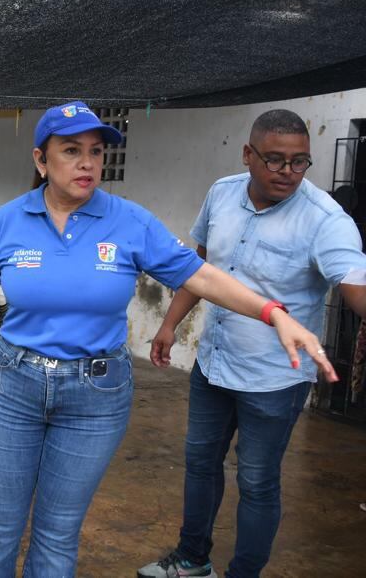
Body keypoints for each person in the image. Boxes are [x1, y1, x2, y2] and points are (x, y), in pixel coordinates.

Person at [0, 102, 337, 577]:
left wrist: (272, 313)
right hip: (14, 386)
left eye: (95, 151)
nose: (87, 162)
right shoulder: (10, 220)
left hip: (95, 395)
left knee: (57, 534)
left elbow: (202, 276)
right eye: (71, 151)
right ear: (41, 160)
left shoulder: (129, 221)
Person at [137, 109, 366, 578]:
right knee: (200, 463)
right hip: (214, 363)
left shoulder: (325, 219)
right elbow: (200, 269)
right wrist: (170, 324)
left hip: (275, 378)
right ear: (248, 154)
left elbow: (355, 284)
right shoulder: (222, 194)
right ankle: (192, 559)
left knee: (257, 480)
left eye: (300, 161)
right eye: (275, 159)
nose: (288, 172)